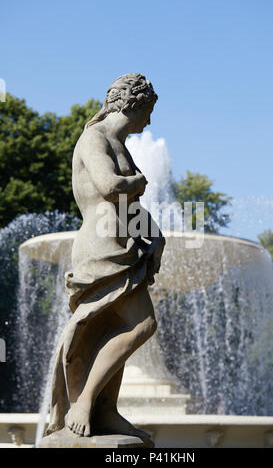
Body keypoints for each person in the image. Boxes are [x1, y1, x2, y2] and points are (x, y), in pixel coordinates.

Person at [45, 74, 165, 444]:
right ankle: (82, 404)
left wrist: (155, 235)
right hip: (101, 247)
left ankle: (105, 411)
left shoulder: (120, 145)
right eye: (148, 111)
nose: (149, 122)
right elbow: (109, 186)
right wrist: (139, 182)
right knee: (141, 325)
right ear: (132, 104)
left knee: (108, 328)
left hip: (121, 245)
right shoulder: (93, 139)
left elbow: (129, 206)